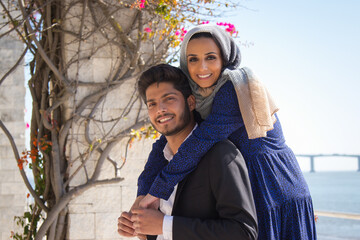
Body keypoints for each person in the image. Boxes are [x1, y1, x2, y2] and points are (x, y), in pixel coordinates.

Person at [136, 25, 317, 240]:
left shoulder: (235, 88)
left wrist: (158, 190)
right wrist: (142, 196)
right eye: (193, 59)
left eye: (211, 57)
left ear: (225, 58)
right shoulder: (197, 95)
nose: (202, 67)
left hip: (274, 184)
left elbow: (201, 140)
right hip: (247, 183)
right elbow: (161, 146)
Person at [117, 64, 258, 240]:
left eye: (169, 99)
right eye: (152, 104)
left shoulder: (221, 154)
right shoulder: (159, 162)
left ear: (191, 102)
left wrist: (164, 225)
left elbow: (243, 233)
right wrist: (139, 227)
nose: (160, 109)